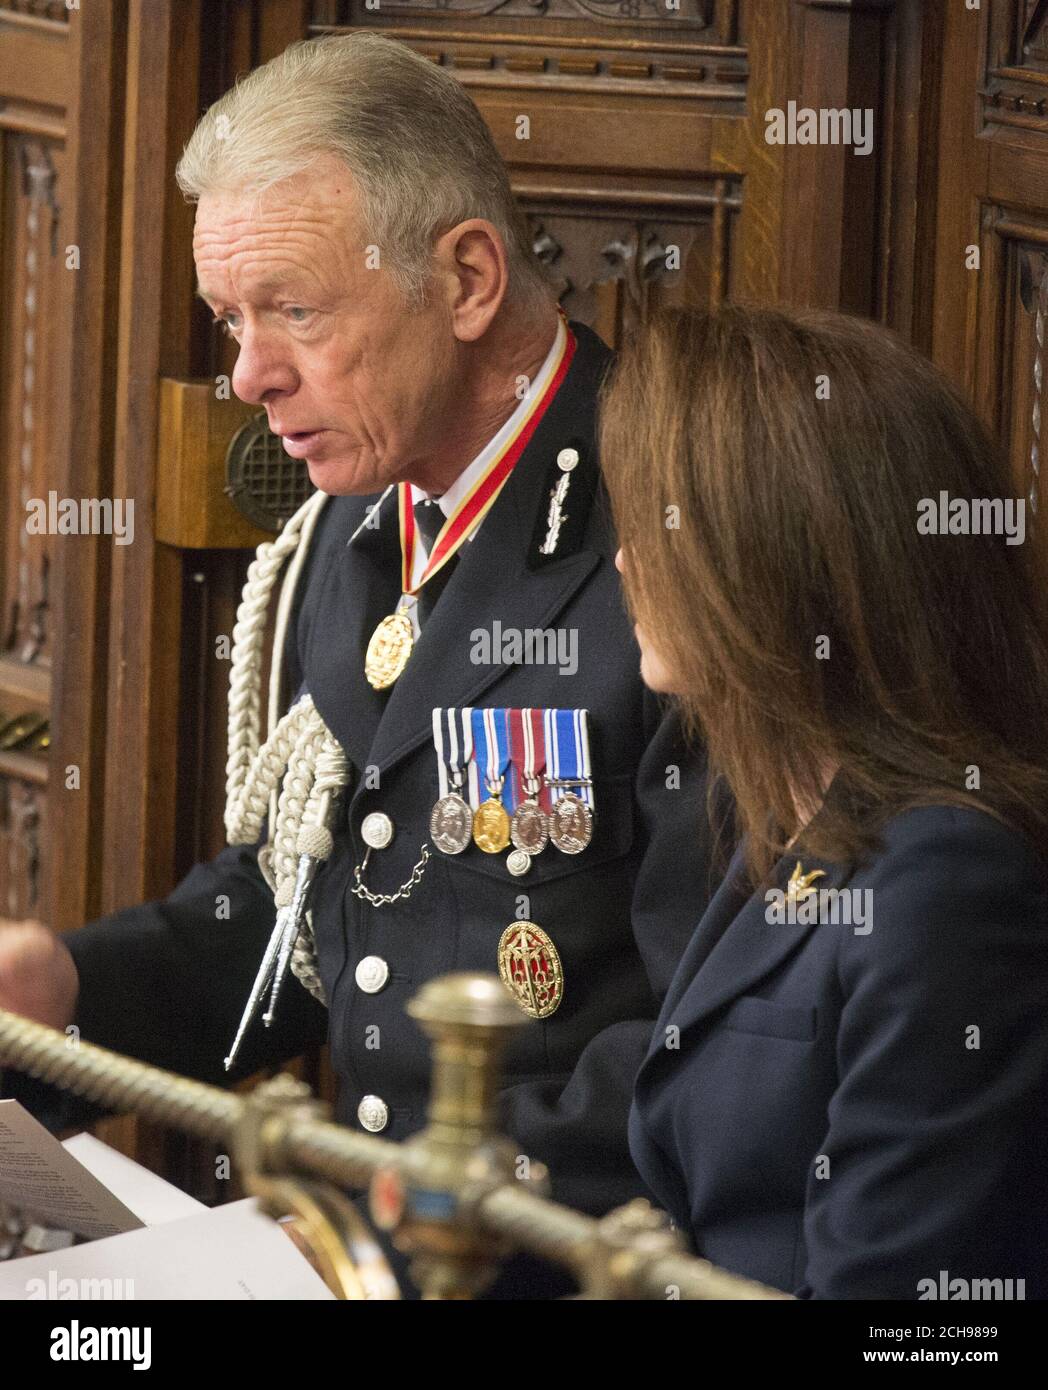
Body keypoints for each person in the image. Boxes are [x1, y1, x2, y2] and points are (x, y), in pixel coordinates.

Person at [0, 34, 716, 1298]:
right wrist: (66, 990)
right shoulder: (356, 520)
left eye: (295, 309)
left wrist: (387, 1235)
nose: (248, 374)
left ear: (469, 279)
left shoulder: (674, 538)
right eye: (233, 319)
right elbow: (305, 921)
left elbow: (707, 1050)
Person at [601, 304, 1048, 1299]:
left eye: (657, 524)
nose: (624, 561)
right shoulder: (772, 797)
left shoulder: (948, 878)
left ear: (770, 554)